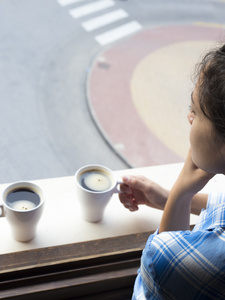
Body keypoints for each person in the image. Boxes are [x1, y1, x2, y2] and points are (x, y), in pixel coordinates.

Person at [119, 44, 225, 299]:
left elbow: (153, 283)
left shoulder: (179, 262)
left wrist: (179, 192)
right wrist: (172, 198)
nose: (189, 117)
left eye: (197, 111)